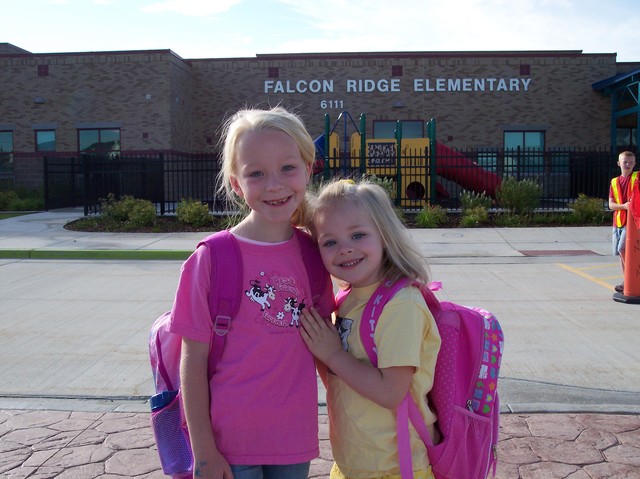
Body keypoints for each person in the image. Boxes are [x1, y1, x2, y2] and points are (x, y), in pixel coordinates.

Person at [168, 106, 335, 479]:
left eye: (287, 168)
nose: (274, 184)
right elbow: (192, 361)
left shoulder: (315, 254)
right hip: (228, 443)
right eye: (256, 173)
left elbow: (327, 347)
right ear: (236, 183)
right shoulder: (211, 259)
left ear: (309, 169)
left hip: (293, 436)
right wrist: (204, 452)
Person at [300, 179, 441, 479]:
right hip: (353, 463)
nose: (345, 249)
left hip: (396, 467)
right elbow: (342, 382)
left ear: (385, 236)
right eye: (330, 242)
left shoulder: (402, 304)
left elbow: (390, 392)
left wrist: (332, 354)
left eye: (358, 235)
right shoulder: (346, 300)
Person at [609, 150, 638, 293]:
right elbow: (611, 205)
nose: (628, 164)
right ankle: (626, 279)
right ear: (618, 163)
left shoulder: (637, 178)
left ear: (635, 164)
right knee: (620, 252)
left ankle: (630, 280)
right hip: (618, 223)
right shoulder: (614, 182)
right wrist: (624, 206)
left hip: (631, 224)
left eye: (631, 162)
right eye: (625, 162)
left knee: (623, 250)